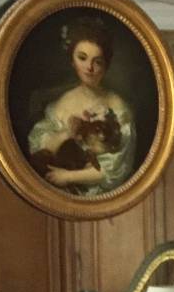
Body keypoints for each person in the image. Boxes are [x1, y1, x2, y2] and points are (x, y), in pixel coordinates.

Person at [27, 17, 136, 195]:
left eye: (97, 61)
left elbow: (115, 170)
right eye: (82, 58)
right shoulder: (61, 103)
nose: (89, 68)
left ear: (106, 66)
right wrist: (69, 132)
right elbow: (38, 148)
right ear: (72, 60)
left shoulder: (118, 108)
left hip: (98, 197)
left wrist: (68, 177)